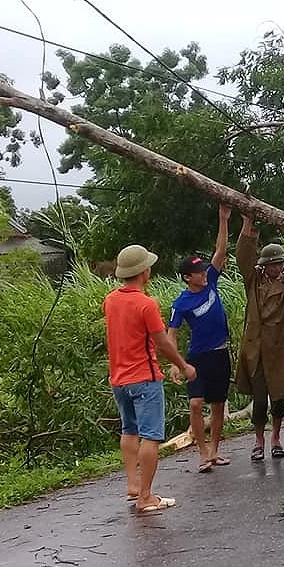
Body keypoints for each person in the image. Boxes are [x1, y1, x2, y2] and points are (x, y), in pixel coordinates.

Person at [103, 244, 196, 512]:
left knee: (128, 430)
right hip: (144, 377)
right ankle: (146, 496)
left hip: (119, 379)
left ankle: (133, 485)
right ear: (144, 271)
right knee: (151, 436)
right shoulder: (146, 304)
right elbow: (162, 343)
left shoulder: (110, 300)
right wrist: (183, 365)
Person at [235, 216, 284, 462]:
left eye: (279, 263)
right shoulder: (253, 280)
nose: (276, 268)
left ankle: (276, 438)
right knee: (258, 400)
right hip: (256, 349)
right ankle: (258, 440)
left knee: (279, 398)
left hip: (280, 349)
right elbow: (243, 256)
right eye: (272, 264)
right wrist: (247, 224)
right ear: (264, 265)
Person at [167, 205, 233, 474]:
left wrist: (223, 219)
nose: (204, 273)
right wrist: (175, 363)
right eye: (199, 272)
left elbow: (220, 251)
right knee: (196, 404)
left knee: (218, 405)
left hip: (221, 353)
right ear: (187, 277)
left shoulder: (212, 282)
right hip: (198, 358)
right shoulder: (181, 302)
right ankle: (203, 452)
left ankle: (215, 451)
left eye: (205, 270)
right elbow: (171, 333)